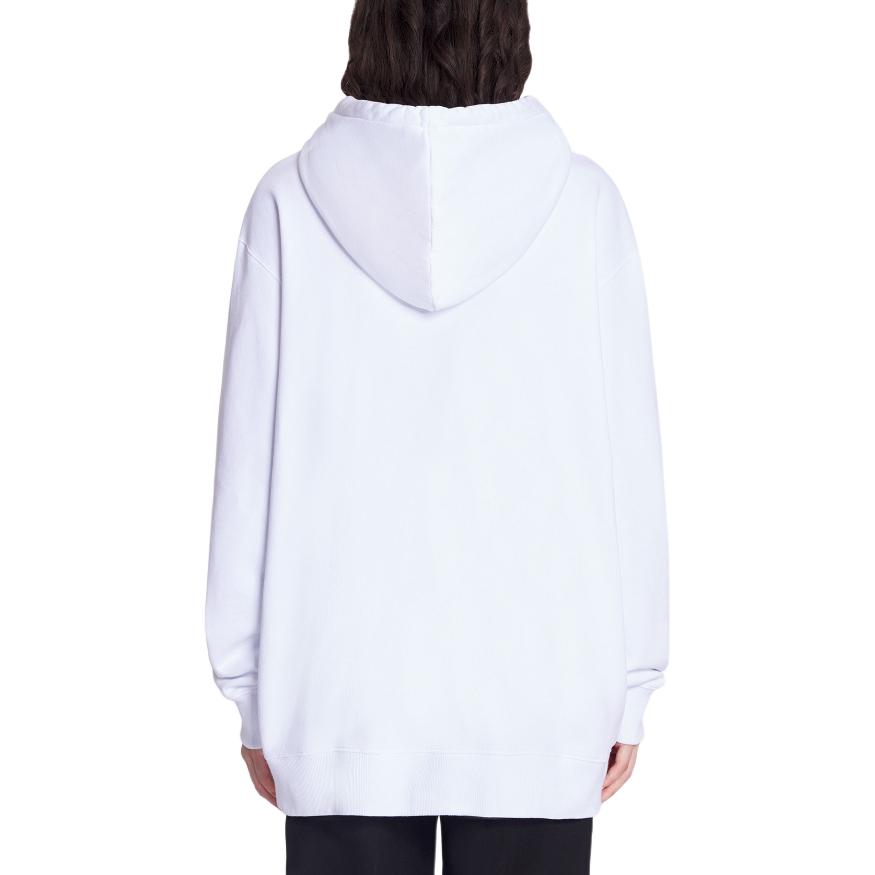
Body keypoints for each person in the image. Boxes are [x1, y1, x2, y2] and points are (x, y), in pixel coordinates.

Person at [206, 1, 669, 872]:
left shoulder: (287, 203)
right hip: (540, 696)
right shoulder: (584, 205)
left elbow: (246, 469)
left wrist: (252, 692)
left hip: (337, 695)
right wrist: (630, 684)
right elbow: (628, 465)